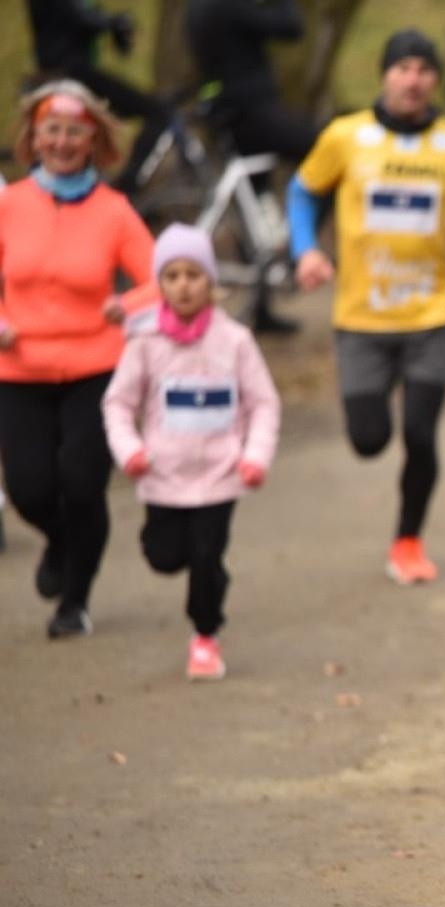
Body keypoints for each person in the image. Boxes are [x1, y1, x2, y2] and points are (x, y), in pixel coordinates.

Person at [288, 30, 445, 585]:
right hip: (362, 317)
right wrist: (305, 248)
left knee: (422, 434)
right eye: (403, 67)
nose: (414, 78)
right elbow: (303, 191)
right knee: (369, 439)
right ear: (386, 75)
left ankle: (408, 541)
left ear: (435, 81)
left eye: (425, 69)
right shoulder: (345, 135)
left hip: (431, 314)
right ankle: (378, 444)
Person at [0, 82, 154, 639]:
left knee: (83, 483)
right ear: (34, 138)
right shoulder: (10, 205)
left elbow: (163, 280)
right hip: (19, 367)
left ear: (93, 140)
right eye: (52, 130)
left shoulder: (114, 212)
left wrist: (126, 305)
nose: (62, 142)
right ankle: (61, 543)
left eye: (74, 132)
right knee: (30, 488)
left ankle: (76, 601)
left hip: (96, 366)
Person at [101, 225, 280, 680]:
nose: (184, 285)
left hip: (221, 475)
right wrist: (131, 451)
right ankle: (209, 575)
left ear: (212, 282)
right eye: (173, 275)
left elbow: (263, 403)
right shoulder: (144, 343)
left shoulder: (235, 340)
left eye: (194, 274)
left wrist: (255, 456)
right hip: (162, 477)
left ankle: (205, 636)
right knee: (164, 557)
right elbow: (118, 404)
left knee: (205, 555)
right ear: (159, 284)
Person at [186, 0, 318, 335]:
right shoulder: (228, 7)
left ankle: (262, 307)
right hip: (251, 113)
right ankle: (301, 248)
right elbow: (291, 27)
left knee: (256, 204)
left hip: (232, 113)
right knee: (326, 150)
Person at [25, 0, 171, 195]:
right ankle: (126, 191)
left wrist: (109, 26)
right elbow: (77, 15)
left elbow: (82, 16)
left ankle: (118, 188)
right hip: (70, 75)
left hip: (70, 73)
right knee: (157, 114)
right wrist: (111, 23)